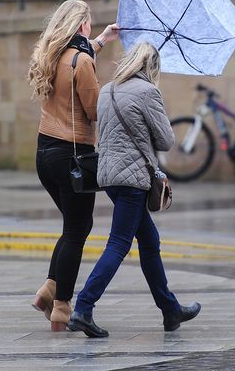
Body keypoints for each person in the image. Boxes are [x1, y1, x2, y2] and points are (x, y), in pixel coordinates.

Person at [68, 42, 201, 338]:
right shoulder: (148, 92)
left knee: (150, 242)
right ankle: (83, 307)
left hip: (109, 177)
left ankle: (170, 310)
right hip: (133, 181)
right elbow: (166, 140)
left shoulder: (107, 90)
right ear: (152, 66)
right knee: (118, 244)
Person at [27, 0, 119, 331]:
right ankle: (62, 306)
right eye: (91, 22)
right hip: (72, 156)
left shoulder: (50, 54)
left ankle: (49, 290)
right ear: (81, 24)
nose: (92, 27)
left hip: (44, 153)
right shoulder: (81, 63)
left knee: (72, 228)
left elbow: (77, 58)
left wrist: (102, 42)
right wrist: (115, 95)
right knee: (78, 230)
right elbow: (94, 110)